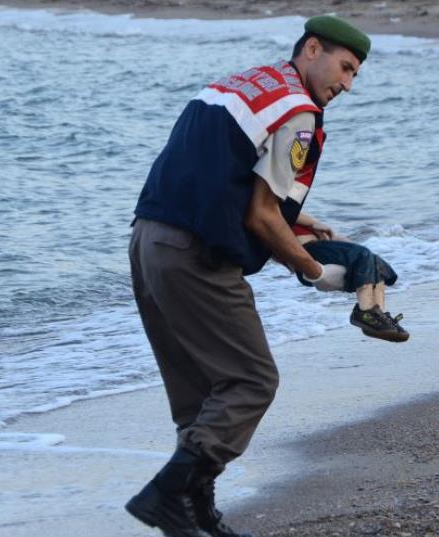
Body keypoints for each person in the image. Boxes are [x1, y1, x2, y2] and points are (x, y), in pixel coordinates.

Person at [125, 16, 371, 537]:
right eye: (345, 68)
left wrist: (297, 218)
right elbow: (260, 217)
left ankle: (194, 517)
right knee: (251, 381)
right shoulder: (300, 113)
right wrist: (313, 270)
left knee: (198, 395)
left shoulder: (245, 82)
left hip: (148, 240)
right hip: (195, 255)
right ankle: (166, 495)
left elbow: (218, 167)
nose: (347, 84)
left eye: (354, 75)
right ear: (311, 49)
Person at [293, 211, 409, 342]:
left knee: (373, 260)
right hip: (308, 250)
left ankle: (378, 317)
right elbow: (287, 210)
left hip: (323, 246)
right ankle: (364, 313)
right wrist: (315, 223)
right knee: (363, 254)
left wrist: (352, 247)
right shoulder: (280, 212)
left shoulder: (297, 216)